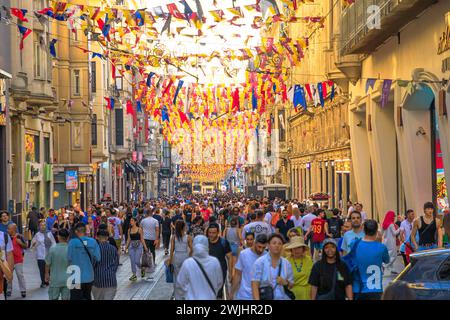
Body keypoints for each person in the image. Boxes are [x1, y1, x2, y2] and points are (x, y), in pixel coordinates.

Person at [177, 235, 223, 300]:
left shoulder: (187, 263)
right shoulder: (215, 262)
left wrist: (187, 294)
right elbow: (220, 282)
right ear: (207, 246)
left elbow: (180, 283)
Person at [353, 220, 390, 300]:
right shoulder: (381, 247)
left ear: (363, 230)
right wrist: (379, 241)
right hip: (375, 289)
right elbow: (387, 260)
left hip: (357, 288)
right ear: (377, 231)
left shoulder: (355, 244)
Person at [251, 234, 294, 300]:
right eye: (274, 243)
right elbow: (255, 285)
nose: (277, 245)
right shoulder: (260, 262)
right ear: (268, 245)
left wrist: (285, 282)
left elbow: (291, 285)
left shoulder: (286, 263)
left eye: (280, 243)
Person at [67, 222, 101, 300]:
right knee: (87, 296)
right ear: (85, 230)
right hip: (89, 276)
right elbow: (98, 258)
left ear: (76, 231)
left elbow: (69, 258)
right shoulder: (93, 241)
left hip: (74, 276)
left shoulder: (72, 242)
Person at [231, 234, 268, 300]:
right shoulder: (244, 254)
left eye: (263, 247)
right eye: (259, 247)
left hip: (261, 295)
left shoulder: (267, 256)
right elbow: (237, 275)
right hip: (244, 295)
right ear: (255, 243)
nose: (261, 250)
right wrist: (231, 293)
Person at [168, 220, 192, 300]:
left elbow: (171, 250)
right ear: (183, 227)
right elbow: (192, 249)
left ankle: (177, 296)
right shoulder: (188, 237)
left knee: (176, 277)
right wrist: (189, 256)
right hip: (185, 256)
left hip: (177, 256)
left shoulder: (174, 237)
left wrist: (170, 261)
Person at [92, 229, 119, 300]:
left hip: (98, 280)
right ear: (107, 237)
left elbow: (93, 264)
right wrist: (112, 272)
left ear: (97, 237)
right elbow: (116, 263)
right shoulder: (113, 249)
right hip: (110, 280)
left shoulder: (95, 249)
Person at [207, 223, 232, 299]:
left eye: (214, 233)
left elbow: (229, 257)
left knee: (218, 293)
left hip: (220, 271)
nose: (211, 235)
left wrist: (230, 273)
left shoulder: (223, 242)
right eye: (210, 233)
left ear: (218, 233)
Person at [45, 229, 70, 300]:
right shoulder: (70, 249)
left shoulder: (52, 249)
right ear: (68, 238)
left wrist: (46, 274)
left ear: (58, 237)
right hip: (67, 280)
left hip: (55, 280)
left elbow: (47, 263)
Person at [31, 220, 56, 288]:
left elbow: (54, 243)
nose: (43, 226)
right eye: (41, 225)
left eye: (44, 225)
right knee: (42, 270)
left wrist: (52, 251)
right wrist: (35, 244)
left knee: (49, 269)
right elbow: (32, 245)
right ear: (39, 226)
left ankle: (47, 281)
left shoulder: (49, 233)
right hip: (40, 255)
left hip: (49, 255)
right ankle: (43, 282)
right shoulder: (37, 235)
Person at [6, 223, 27, 298]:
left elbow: (26, 246)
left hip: (18, 259)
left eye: (9, 229)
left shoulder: (19, 236)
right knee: (8, 275)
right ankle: (8, 290)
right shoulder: (6, 237)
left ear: (13, 229)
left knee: (20, 275)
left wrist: (20, 243)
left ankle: (23, 290)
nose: (7, 230)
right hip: (9, 260)